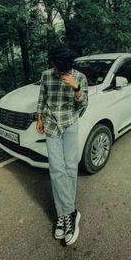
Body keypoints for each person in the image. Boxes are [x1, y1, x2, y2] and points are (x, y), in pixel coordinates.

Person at [36, 45, 88, 246]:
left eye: (65, 69)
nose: (62, 72)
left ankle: (66, 214)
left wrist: (76, 88)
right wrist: (38, 117)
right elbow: (42, 97)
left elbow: (83, 105)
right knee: (57, 170)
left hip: (69, 124)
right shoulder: (46, 75)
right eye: (59, 69)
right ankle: (68, 214)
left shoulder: (79, 77)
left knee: (70, 167)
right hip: (50, 124)